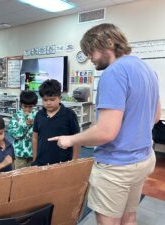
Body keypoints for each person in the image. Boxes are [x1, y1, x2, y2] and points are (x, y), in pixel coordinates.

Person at [48, 23, 161, 225]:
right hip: (144, 158)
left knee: (108, 221)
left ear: (108, 43)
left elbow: (106, 132)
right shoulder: (147, 70)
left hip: (116, 165)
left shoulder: (113, 72)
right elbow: (155, 117)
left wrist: (70, 139)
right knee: (129, 217)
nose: (90, 57)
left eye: (91, 51)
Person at [32, 79, 80, 166]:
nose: (48, 103)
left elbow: (76, 139)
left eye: (52, 99)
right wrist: (35, 158)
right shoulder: (39, 115)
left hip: (63, 161)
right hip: (41, 161)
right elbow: (35, 137)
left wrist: (74, 160)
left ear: (60, 98)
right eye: (45, 100)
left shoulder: (69, 114)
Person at [8, 90, 38, 169]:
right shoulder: (16, 116)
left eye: (30, 106)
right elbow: (14, 134)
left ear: (34, 105)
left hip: (34, 153)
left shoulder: (37, 116)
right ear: (21, 104)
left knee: (33, 174)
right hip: (20, 153)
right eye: (25, 106)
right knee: (19, 175)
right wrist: (25, 125)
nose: (27, 109)